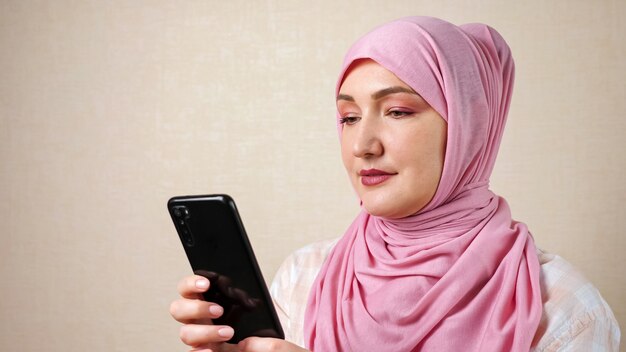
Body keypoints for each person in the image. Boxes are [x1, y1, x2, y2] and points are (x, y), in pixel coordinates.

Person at [169, 17, 620, 351]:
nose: (362, 145)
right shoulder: (304, 278)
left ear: (469, 127)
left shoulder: (561, 306)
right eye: (348, 118)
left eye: (398, 111)